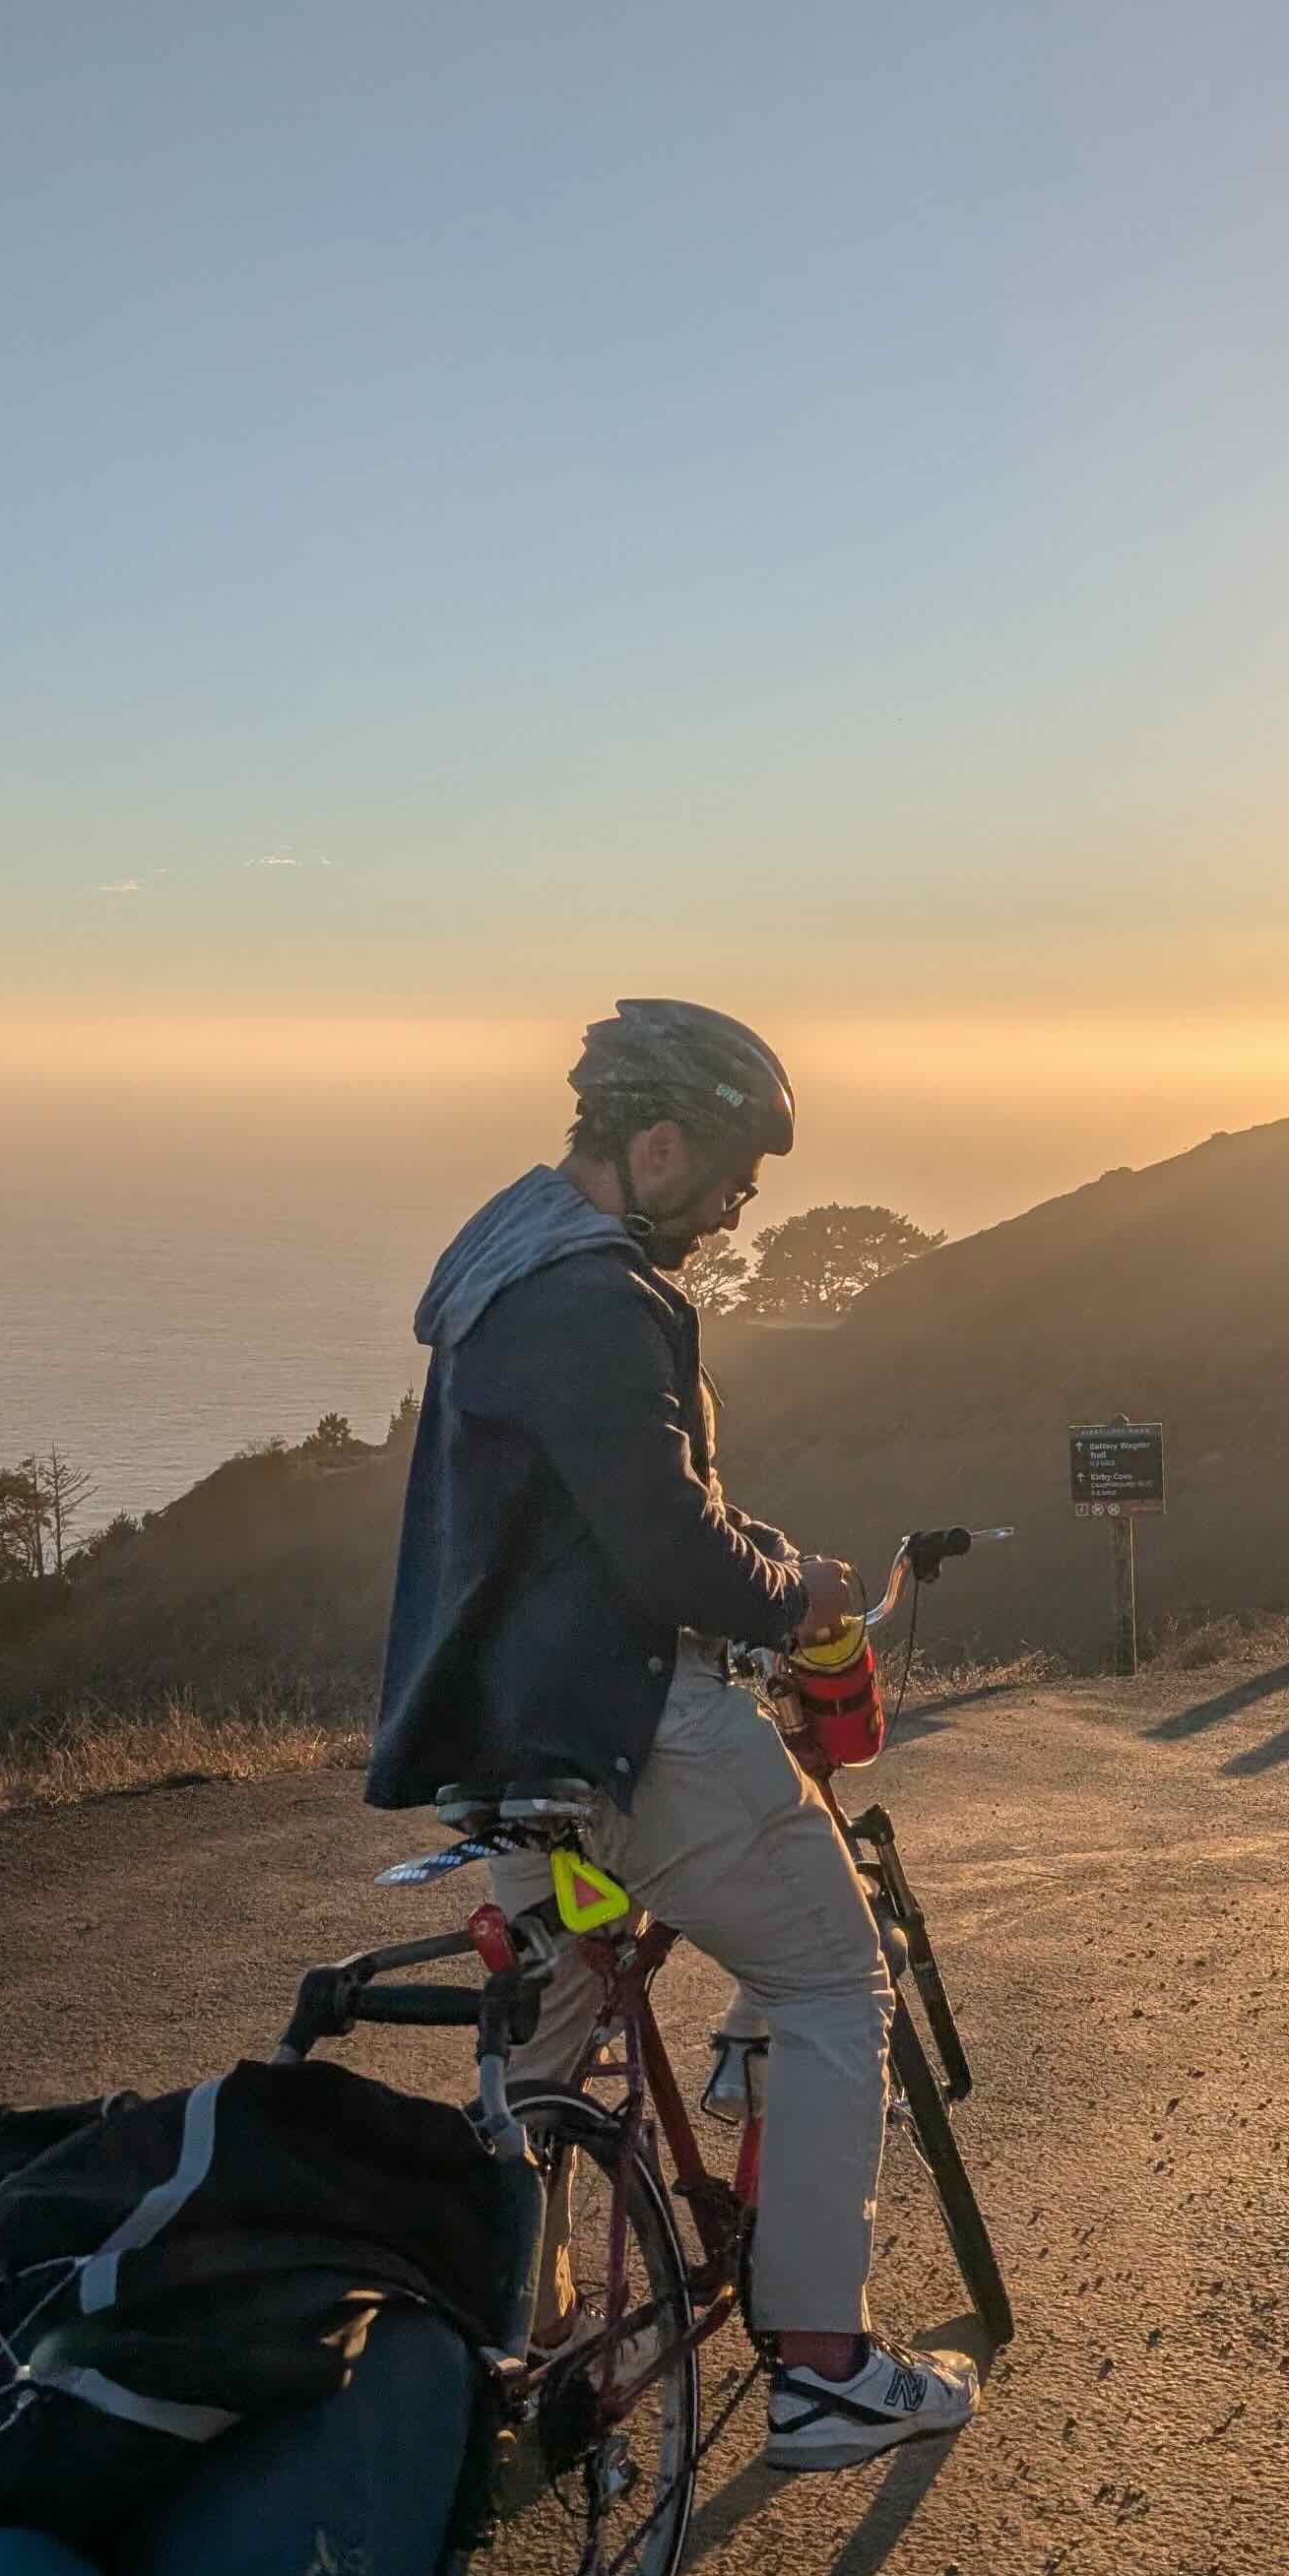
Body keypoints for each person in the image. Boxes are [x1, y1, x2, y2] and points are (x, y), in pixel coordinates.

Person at [368, 998, 979, 2471]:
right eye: (728, 1183)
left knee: (543, 2056)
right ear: (655, 1145)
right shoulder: (595, 1297)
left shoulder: (503, 1277)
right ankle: (825, 2368)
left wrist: (741, 1547)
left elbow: (598, 1514)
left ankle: (506, 2350)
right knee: (838, 1983)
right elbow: (664, 1558)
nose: (732, 1212)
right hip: (629, 1727)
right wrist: (790, 1593)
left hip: (505, 1746)